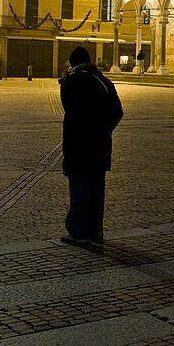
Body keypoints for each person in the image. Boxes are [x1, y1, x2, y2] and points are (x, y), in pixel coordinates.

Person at [58, 47, 123, 245]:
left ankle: (78, 233)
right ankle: (96, 231)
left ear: (72, 63)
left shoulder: (72, 82)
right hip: (100, 145)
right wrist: (103, 130)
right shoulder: (104, 80)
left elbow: (70, 111)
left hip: (78, 146)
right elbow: (117, 111)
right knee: (96, 190)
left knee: (78, 188)